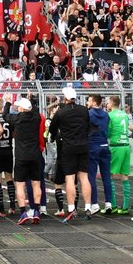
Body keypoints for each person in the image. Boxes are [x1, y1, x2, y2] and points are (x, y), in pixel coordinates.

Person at [49, 86, 91, 222]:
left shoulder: (61, 113)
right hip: (83, 146)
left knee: (69, 178)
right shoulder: (84, 110)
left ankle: (72, 208)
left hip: (68, 148)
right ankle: (88, 207)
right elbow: (88, 126)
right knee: (84, 177)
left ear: (65, 98)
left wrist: (52, 137)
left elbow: (52, 129)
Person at [10, 97, 44, 225]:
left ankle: (23, 212)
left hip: (21, 156)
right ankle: (36, 210)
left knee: (20, 184)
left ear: (22, 109)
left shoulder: (17, 119)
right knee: (36, 184)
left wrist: (8, 103)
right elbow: (34, 110)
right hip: (35, 155)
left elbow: (5, 115)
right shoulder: (36, 118)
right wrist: (30, 100)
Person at [86, 94, 112, 215]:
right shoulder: (106, 114)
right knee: (106, 176)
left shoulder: (89, 114)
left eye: (89, 100)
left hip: (93, 145)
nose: (87, 102)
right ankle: (108, 203)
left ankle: (94, 203)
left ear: (94, 102)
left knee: (91, 175)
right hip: (104, 145)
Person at [106, 96, 133, 215]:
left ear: (111, 103)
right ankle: (126, 206)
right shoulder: (124, 115)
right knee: (125, 176)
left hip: (116, 146)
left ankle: (113, 205)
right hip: (126, 145)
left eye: (108, 103)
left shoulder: (110, 115)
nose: (107, 105)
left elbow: (108, 132)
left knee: (110, 175)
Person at [0, 97, 17, 214]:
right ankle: (12, 206)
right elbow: (13, 134)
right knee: (9, 178)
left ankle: (1, 208)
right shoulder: (8, 118)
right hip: (7, 150)